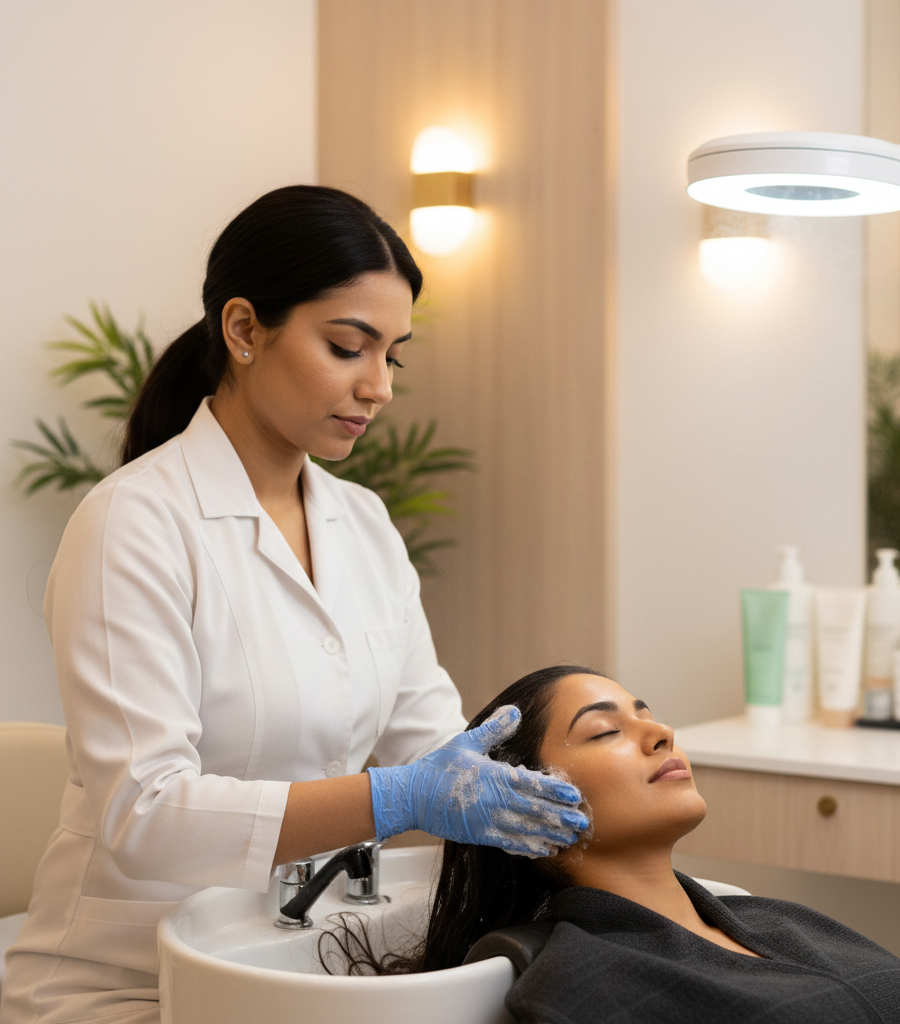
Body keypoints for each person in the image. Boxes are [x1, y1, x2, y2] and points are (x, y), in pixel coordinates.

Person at [0, 186, 587, 1024]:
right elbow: (146, 812)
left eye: (394, 356)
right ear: (244, 330)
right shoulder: (133, 522)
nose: (378, 387)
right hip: (126, 985)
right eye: (348, 347)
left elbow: (430, 743)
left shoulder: (364, 524)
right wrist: (394, 798)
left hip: (294, 959)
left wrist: (560, 794)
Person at [328, 665, 900, 1023]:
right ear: (521, 802)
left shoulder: (783, 921)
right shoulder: (589, 988)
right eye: (605, 731)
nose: (662, 733)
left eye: (647, 716)